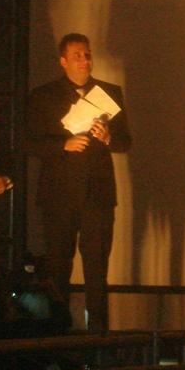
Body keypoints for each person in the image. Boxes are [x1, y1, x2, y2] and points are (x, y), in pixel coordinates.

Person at [25, 33, 131, 333]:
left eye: (87, 54)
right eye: (77, 56)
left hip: (98, 193)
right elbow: (28, 142)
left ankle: (98, 334)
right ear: (63, 61)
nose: (84, 60)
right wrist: (64, 145)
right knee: (59, 266)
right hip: (59, 194)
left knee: (97, 267)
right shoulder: (44, 95)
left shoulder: (108, 93)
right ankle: (58, 333)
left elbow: (125, 141)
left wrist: (108, 138)